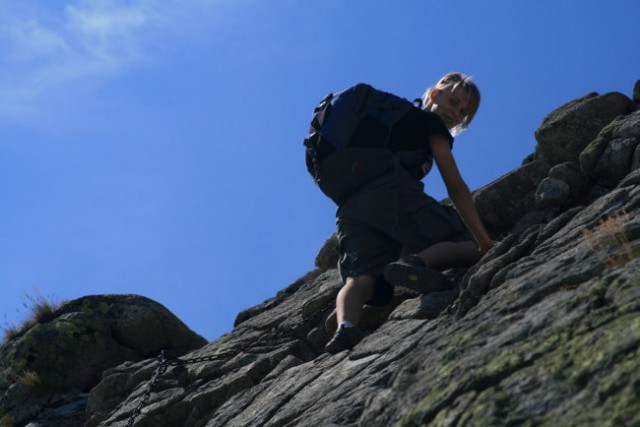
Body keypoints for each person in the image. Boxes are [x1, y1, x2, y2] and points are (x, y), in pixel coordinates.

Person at [319, 72, 497, 354]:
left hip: (351, 205)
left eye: (463, 112)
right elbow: (455, 185)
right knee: (468, 242)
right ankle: (415, 263)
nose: (456, 114)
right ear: (435, 95)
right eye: (453, 102)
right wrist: (484, 241)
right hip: (391, 193)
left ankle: (346, 328)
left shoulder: (396, 120)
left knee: (361, 276)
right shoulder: (430, 123)